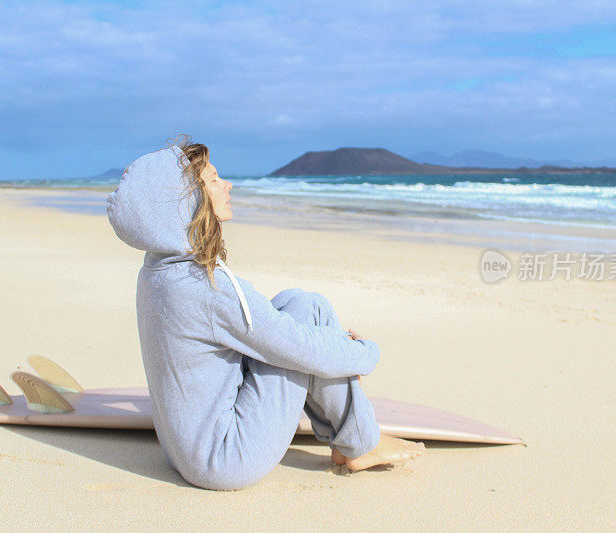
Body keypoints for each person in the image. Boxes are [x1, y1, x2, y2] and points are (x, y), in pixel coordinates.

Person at [106, 136, 424, 490]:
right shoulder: (206, 288)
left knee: (300, 303)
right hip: (226, 458)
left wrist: (333, 348)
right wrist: (364, 353)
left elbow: (263, 334)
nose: (227, 185)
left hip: (187, 452)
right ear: (185, 203)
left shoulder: (158, 269)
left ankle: (355, 437)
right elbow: (295, 347)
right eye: (213, 180)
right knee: (312, 321)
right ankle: (362, 444)